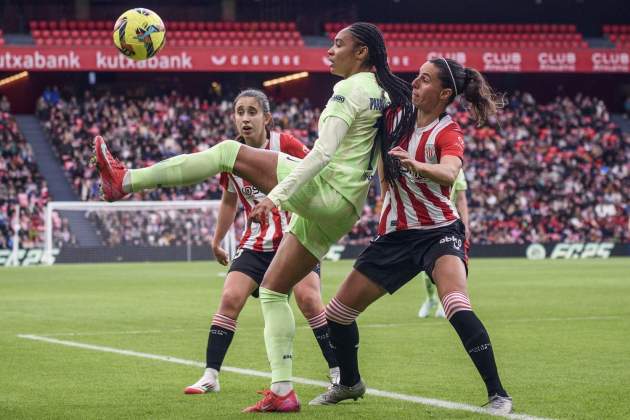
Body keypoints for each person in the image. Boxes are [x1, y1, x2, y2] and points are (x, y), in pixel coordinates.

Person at [94, 22, 412, 412]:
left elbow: (322, 154)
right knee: (275, 290)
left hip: (329, 192)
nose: (330, 50)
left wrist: (276, 198)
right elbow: (379, 155)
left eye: (338, 44)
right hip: (346, 207)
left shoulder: (348, 90)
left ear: (361, 52)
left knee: (229, 151)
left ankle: (125, 181)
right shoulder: (383, 94)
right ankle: (283, 391)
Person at [310, 57, 513, 415]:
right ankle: (349, 383)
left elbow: (450, 173)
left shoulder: (448, 132)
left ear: (445, 92)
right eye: (416, 77)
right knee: (337, 315)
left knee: (455, 305)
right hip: (395, 236)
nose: (415, 83)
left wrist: (418, 166)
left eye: (424, 79)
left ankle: (498, 394)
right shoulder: (393, 118)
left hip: (439, 232)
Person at [183, 89, 338, 395]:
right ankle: (210, 376)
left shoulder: (287, 144)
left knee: (309, 300)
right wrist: (217, 240)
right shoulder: (230, 155)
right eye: (239, 112)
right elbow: (229, 201)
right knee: (229, 299)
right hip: (256, 243)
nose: (245, 118)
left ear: (267, 118)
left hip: (296, 237)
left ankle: (338, 371)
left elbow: (315, 175)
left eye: (252, 112)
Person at [418, 169, 469, 318]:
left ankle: (444, 300)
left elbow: (461, 199)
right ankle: (430, 299)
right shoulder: (427, 164)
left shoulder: (456, 169)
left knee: (449, 264)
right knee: (425, 270)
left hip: (448, 222)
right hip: (426, 222)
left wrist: (465, 224)